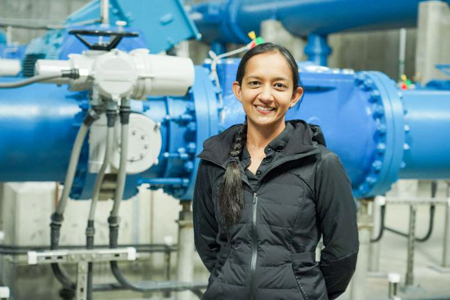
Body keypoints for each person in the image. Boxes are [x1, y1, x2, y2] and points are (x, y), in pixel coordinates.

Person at [193, 43, 359, 300]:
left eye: (279, 85)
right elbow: (207, 243)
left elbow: (343, 252)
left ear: (295, 95)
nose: (266, 96)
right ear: (238, 90)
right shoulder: (215, 161)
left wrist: (305, 291)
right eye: (255, 83)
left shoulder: (322, 165)